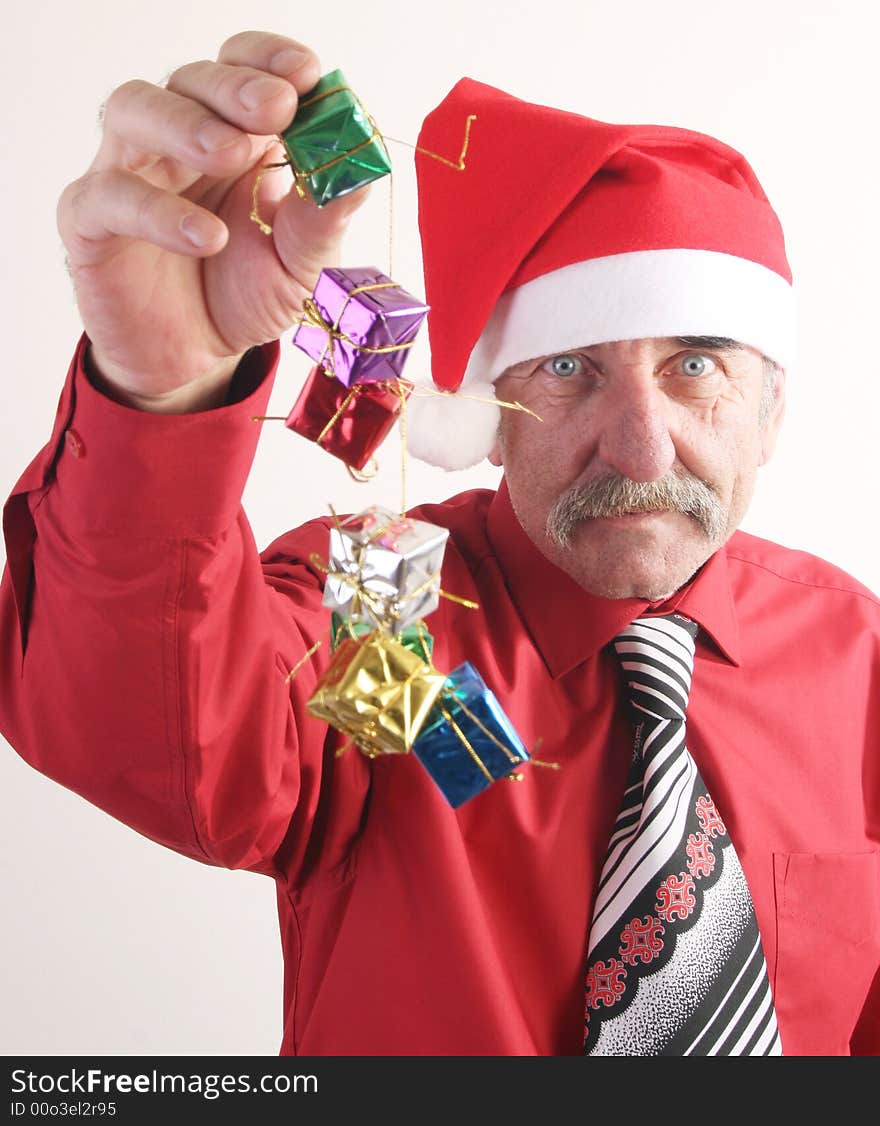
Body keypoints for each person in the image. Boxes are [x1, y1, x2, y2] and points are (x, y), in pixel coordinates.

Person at [1, 29, 878, 1056]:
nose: (641, 450)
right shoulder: (379, 596)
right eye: (566, 370)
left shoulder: (856, 654)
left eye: (695, 365)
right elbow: (141, 730)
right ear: (489, 414)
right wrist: (159, 393)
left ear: (772, 412)